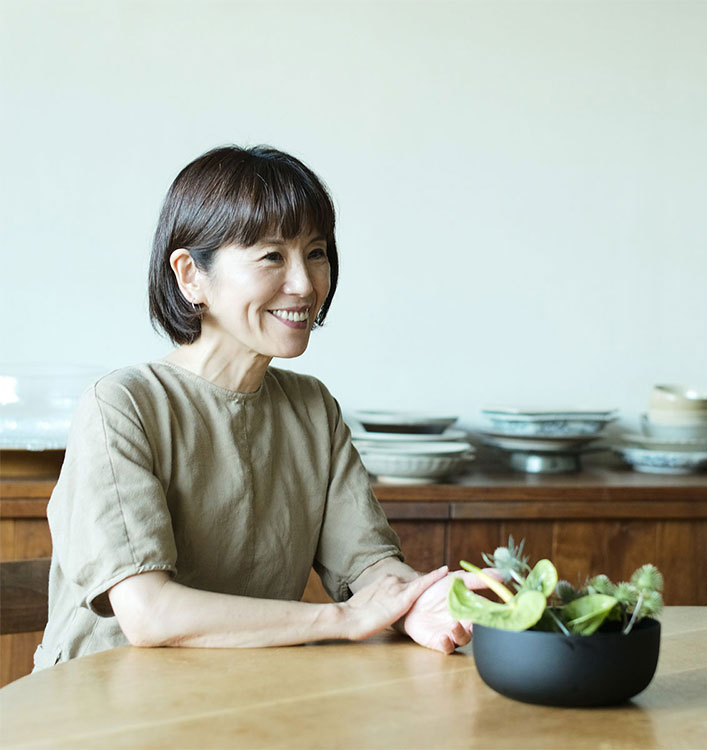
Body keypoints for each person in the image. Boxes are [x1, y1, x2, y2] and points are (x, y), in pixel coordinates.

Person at [34, 145, 489, 670]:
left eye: (315, 252)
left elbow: (369, 568)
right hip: (104, 718)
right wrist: (340, 620)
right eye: (272, 256)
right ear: (190, 276)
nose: (305, 283)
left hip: (244, 701)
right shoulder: (123, 405)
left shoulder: (312, 407)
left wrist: (432, 599)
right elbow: (149, 613)